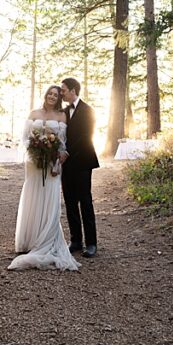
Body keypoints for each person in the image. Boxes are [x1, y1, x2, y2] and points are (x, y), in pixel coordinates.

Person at [8, 85, 80, 271]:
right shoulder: (34, 113)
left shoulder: (62, 116)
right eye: (50, 93)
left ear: (58, 99)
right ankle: (29, 240)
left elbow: (62, 142)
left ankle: (47, 238)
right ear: (46, 95)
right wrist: (35, 149)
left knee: (50, 198)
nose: (52, 96)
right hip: (34, 162)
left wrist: (59, 154)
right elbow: (24, 138)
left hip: (52, 163)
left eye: (56, 95)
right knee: (33, 195)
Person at [60, 77, 99, 257]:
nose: (62, 93)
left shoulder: (88, 110)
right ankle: (76, 240)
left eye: (64, 90)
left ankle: (91, 243)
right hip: (66, 165)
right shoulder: (64, 111)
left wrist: (67, 152)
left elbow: (86, 137)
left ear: (73, 90)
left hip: (83, 161)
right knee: (70, 202)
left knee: (85, 201)